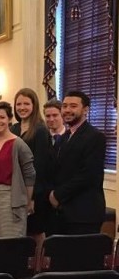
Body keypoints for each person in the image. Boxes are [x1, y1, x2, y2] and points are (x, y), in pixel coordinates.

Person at [49, 91, 106, 234]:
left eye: (73, 106)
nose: (67, 110)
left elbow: (88, 175)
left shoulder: (95, 137)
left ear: (85, 110)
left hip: (84, 213)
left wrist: (57, 195)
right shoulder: (63, 137)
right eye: (65, 106)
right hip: (61, 213)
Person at [0, 102, 36, 237]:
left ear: (10, 119)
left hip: (14, 197)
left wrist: (27, 200)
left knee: (12, 242)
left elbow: (30, 175)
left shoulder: (18, 144)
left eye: (1, 117)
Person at [11, 88, 51, 249]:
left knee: (35, 231)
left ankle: (38, 268)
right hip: (15, 190)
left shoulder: (41, 131)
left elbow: (40, 166)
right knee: (19, 232)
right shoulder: (13, 129)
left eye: (26, 103)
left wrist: (31, 197)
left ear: (34, 105)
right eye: (18, 104)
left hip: (34, 193)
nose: (22, 107)